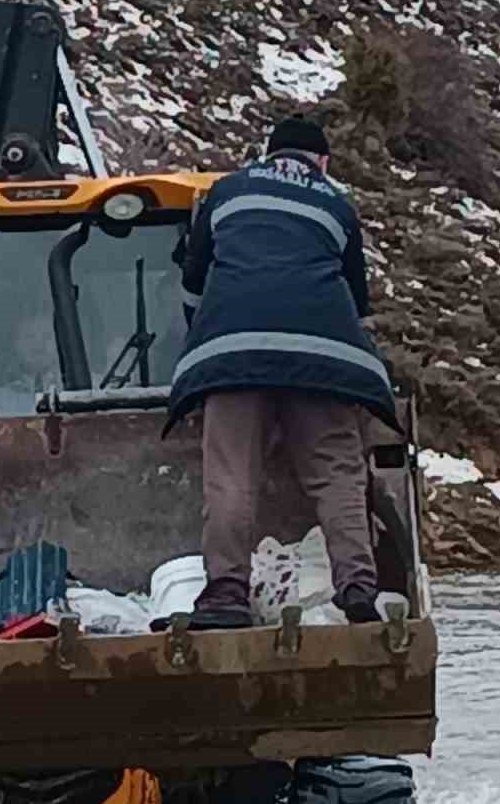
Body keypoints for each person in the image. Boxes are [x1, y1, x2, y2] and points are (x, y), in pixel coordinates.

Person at [163, 117, 399, 630]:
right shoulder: (335, 205)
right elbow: (356, 301)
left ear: (267, 155)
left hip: (232, 356)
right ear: (322, 163)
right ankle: (358, 587)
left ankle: (226, 593)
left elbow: (193, 281)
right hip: (322, 360)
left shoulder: (226, 193)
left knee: (231, 478)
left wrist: (206, 339)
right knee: (337, 473)